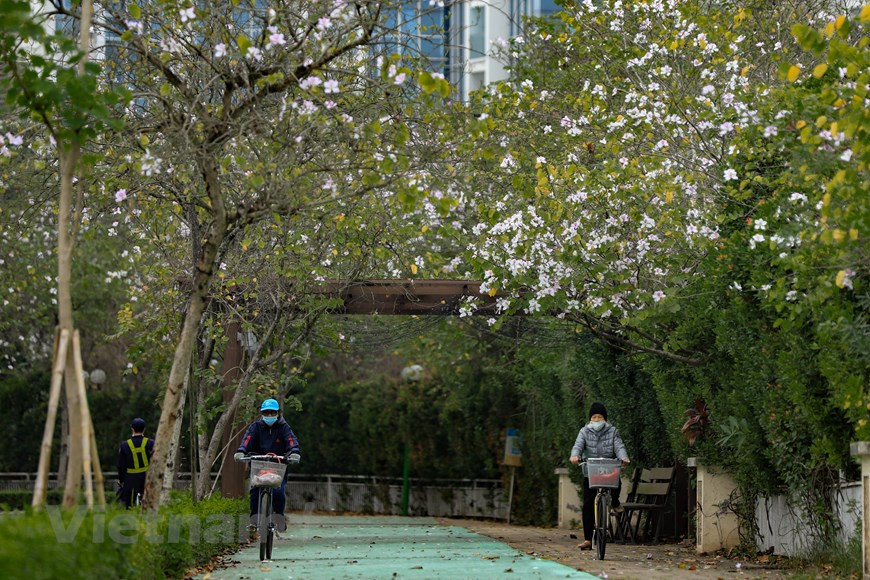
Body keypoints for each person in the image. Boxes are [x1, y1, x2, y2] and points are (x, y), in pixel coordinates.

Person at [569, 401, 630, 550]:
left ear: (605, 418)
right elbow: (578, 445)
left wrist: (624, 458)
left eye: (599, 417)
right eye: (594, 417)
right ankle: (588, 539)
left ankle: (614, 502)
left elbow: (619, 446)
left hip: (608, 469)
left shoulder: (613, 431)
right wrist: (575, 456)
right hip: (591, 471)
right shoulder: (584, 431)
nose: (597, 420)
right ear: (590, 418)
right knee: (588, 504)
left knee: (616, 483)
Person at [234, 398, 300, 533]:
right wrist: (241, 451)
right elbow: (247, 439)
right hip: (259, 465)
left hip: (279, 465)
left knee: (278, 491)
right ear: (261, 413)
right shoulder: (255, 427)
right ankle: (253, 521)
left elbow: (291, 440)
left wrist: (294, 452)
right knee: (255, 490)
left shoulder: (284, 427)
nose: (269, 415)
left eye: (272, 412)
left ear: (278, 413)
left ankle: (279, 517)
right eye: (266, 412)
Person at [117, 417, 154, 508]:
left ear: (132, 429)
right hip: (147, 478)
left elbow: (121, 465)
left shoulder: (125, 445)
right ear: (144, 429)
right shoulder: (151, 443)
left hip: (130, 480)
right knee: (148, 504)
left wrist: (121, 480)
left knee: (129, 505)